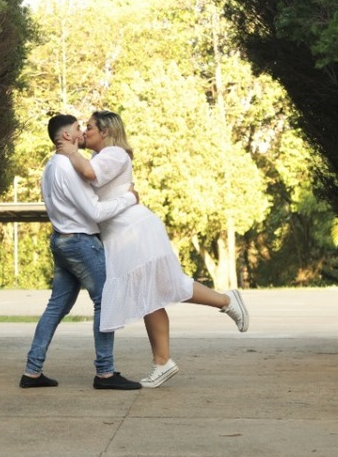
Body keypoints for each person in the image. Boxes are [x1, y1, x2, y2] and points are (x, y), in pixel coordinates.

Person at [56, 110, 248, 388]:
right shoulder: (100, 156)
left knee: (158, 290)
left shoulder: (114, 154)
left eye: (90, 127)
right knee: (154, 293)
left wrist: (71, 150)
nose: (85, 132)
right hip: (123, 235)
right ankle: (166, 358)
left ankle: (223, 305)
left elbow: (89, 174)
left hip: (135, 231)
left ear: (106, 131)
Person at [20, 114, 144, 390]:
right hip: (80, 243)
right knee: (105, 302)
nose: (83, 132)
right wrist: (129, 198)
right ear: (67, 136)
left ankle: (32, 371)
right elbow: (95, 211)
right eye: (79, 128)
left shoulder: (51, 166)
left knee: (56, 307)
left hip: (61, 240)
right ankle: (105, 373)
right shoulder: (67, 167)